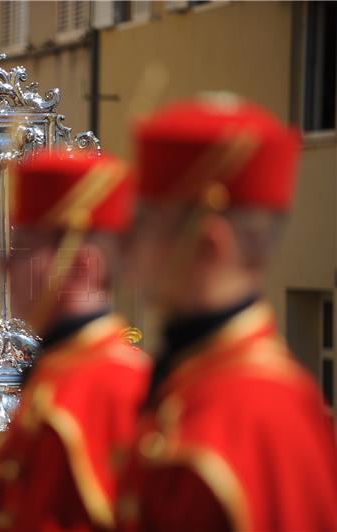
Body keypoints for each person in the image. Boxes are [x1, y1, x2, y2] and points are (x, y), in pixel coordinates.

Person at [116, 96, 337, 530]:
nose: (126, 242)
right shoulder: (196, 385)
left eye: (144, 222)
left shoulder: (250, 415)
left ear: (207, 241)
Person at [0, 150, 151, 530]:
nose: (4, 266)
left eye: (23, 249)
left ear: (81, 262)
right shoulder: (59, 372)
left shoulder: (111, 385)